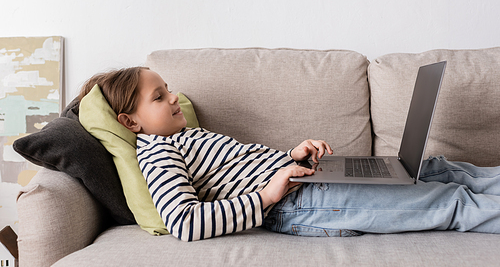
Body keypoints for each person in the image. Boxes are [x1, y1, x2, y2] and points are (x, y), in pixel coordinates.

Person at [80, 67, 500, 242]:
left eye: (168, 89)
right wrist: (268, 196)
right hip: (302, 204)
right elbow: (184, 222)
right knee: (448, 203)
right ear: (130, 121)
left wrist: (291, 155)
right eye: (159, 96)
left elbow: (240, 168)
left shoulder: (189, 133)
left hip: (306, 179)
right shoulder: (159, 153)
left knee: (439, 169)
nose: (174, 97)